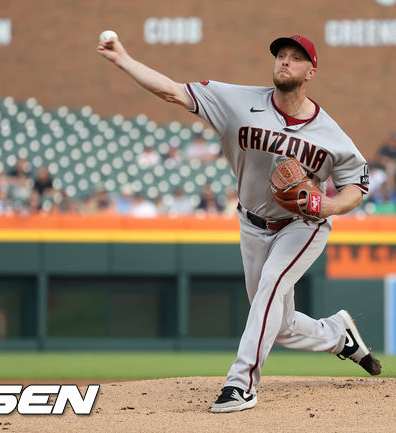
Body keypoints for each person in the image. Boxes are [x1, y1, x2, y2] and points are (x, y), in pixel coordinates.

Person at [98, 33, 380, 413]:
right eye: (280, 55)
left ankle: (241, 384)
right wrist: (124, 61)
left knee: (270, 285)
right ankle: (337, 335)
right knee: (279, 324)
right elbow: (172, 91)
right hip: (251, 224)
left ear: (311, 71)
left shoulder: (331, 134)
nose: (284, 62)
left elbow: (357, 188)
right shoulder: (237, 101)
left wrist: (327, 206)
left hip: (303, 224)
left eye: (295, 58)